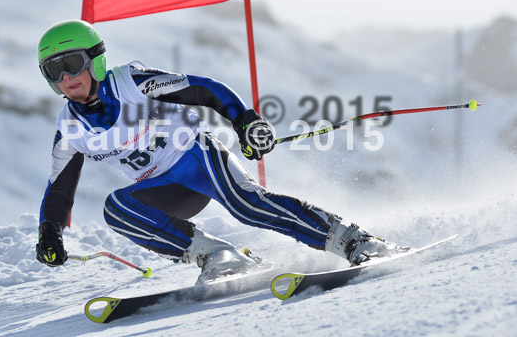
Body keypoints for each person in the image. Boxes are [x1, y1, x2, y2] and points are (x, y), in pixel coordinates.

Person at [35, 19, 405, 282]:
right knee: (116, 209)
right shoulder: (69, 127)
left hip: (197, 157)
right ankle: (218, 256)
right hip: (169, 192)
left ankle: (353, 240)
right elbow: (59, 188)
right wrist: (49, 231)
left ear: (95, 59)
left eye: (72, 64)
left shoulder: (131, 83)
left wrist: (244, 121)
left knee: (247, 204)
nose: (66, 78)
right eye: (54, 71)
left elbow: (203, 89)